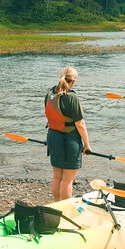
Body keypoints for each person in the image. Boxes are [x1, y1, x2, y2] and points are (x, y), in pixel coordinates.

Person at [44, 66, 92, 201]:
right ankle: (64, 210)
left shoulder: (49, 94)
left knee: (57, 177)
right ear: (74, 81)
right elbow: (80, 124)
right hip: (69, 141)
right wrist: (87, 145)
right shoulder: (72, 98)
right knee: (67, 180)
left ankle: (56, 205)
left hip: (53, 138)